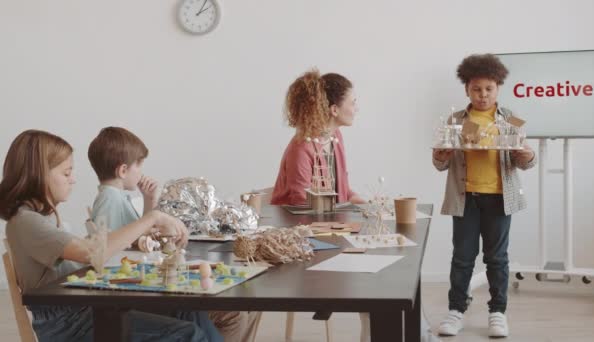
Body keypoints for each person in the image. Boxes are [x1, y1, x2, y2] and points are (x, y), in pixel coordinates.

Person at [0, 129, 221, 342]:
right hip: (70, 324)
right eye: (66, 173)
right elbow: (91, 253)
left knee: (188, 312)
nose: (73, 179)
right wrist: (152, 218)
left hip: (84, 309)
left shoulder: (43, 218)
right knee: (188, 334)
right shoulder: (26, 222)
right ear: (38, 175)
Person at [88, 126, 261, 342]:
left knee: (241, 308)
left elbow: (135, 236)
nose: (141, 172)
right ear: (123, 171)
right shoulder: (109, 201)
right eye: (138, 166)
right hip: (134, 292)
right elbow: (116, 249)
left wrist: (150, 201)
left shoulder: (116, 197)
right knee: (234, 312)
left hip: (141, 285)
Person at [433, 54, 537, 338]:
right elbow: (441, 163)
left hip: (500, 198)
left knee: (497, 258)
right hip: (465, 197)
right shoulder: (457, 120)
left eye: (488, 89)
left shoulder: (510, 118)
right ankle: (456, 310)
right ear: (467, 88)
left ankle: (498, 312)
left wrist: (528, 155)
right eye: (476, 89)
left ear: (498, 88)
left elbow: (525, 160)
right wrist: (440, 155)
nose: (482, 95)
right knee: (463, 257)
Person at [271, 69, 365, 206]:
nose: (356, 109)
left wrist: (360, 201)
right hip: (298, 225)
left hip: (329, 222)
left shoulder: (336, 137)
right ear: (334, 110)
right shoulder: (300, 149)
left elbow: (340, 190)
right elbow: (302, 204)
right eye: (353, 103)